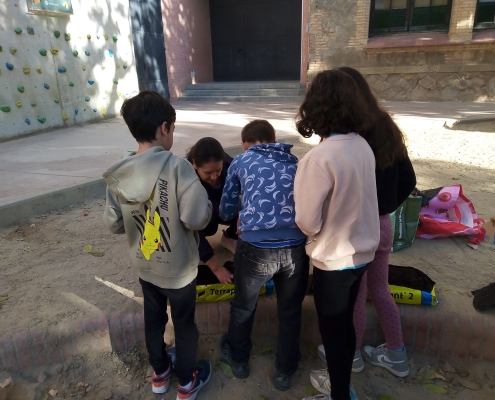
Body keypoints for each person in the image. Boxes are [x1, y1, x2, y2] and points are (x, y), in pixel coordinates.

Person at [103, 90, 212, 400]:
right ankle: (187, 383)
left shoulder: (120, 172)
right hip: (179, 271)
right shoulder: (178, 168)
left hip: (146, 267)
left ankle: (160, 373)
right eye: (173, 128)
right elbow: (195, 218)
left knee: (153, 320)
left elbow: (114, 223)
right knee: (184, 325)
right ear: (165, 127)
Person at [317, 66, 415, 377]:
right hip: (382, 224)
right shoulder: (387, 127)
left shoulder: (350, 137)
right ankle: (397, 354)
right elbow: (409, 179)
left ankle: (352, 355)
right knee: (380, 289)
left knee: (357, 295)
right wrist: (385, 207)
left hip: (355, 229)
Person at [294, 70, 380, 400]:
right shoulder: (362, 146)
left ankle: (339, 393)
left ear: (314, 108)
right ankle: (342, 388)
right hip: (361, 255)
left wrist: (314, 233)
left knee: (333, 334)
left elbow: (307, 220)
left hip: (333, 262)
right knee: (344, 328)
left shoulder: (319, 158)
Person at [219, 119, 309, 391]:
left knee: (244, 306)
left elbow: (226, 210)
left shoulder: (241, 160)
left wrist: (244, 209)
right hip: (295, 247)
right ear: (274, 141)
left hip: (255, 249)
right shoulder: (294, 162)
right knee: (290, 310)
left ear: (244, 144)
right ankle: (284, 371)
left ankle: (239, 360)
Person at [186, 137, 239, 284]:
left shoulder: (232, 166)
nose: (214, 177)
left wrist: (244, 215)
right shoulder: (185, 181)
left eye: (218, 170)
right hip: (207, 216)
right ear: (195, 164)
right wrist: (216, 268)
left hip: (223, 210)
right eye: (208, 173)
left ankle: (230, 236)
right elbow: (192, 230)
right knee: (196, 228)